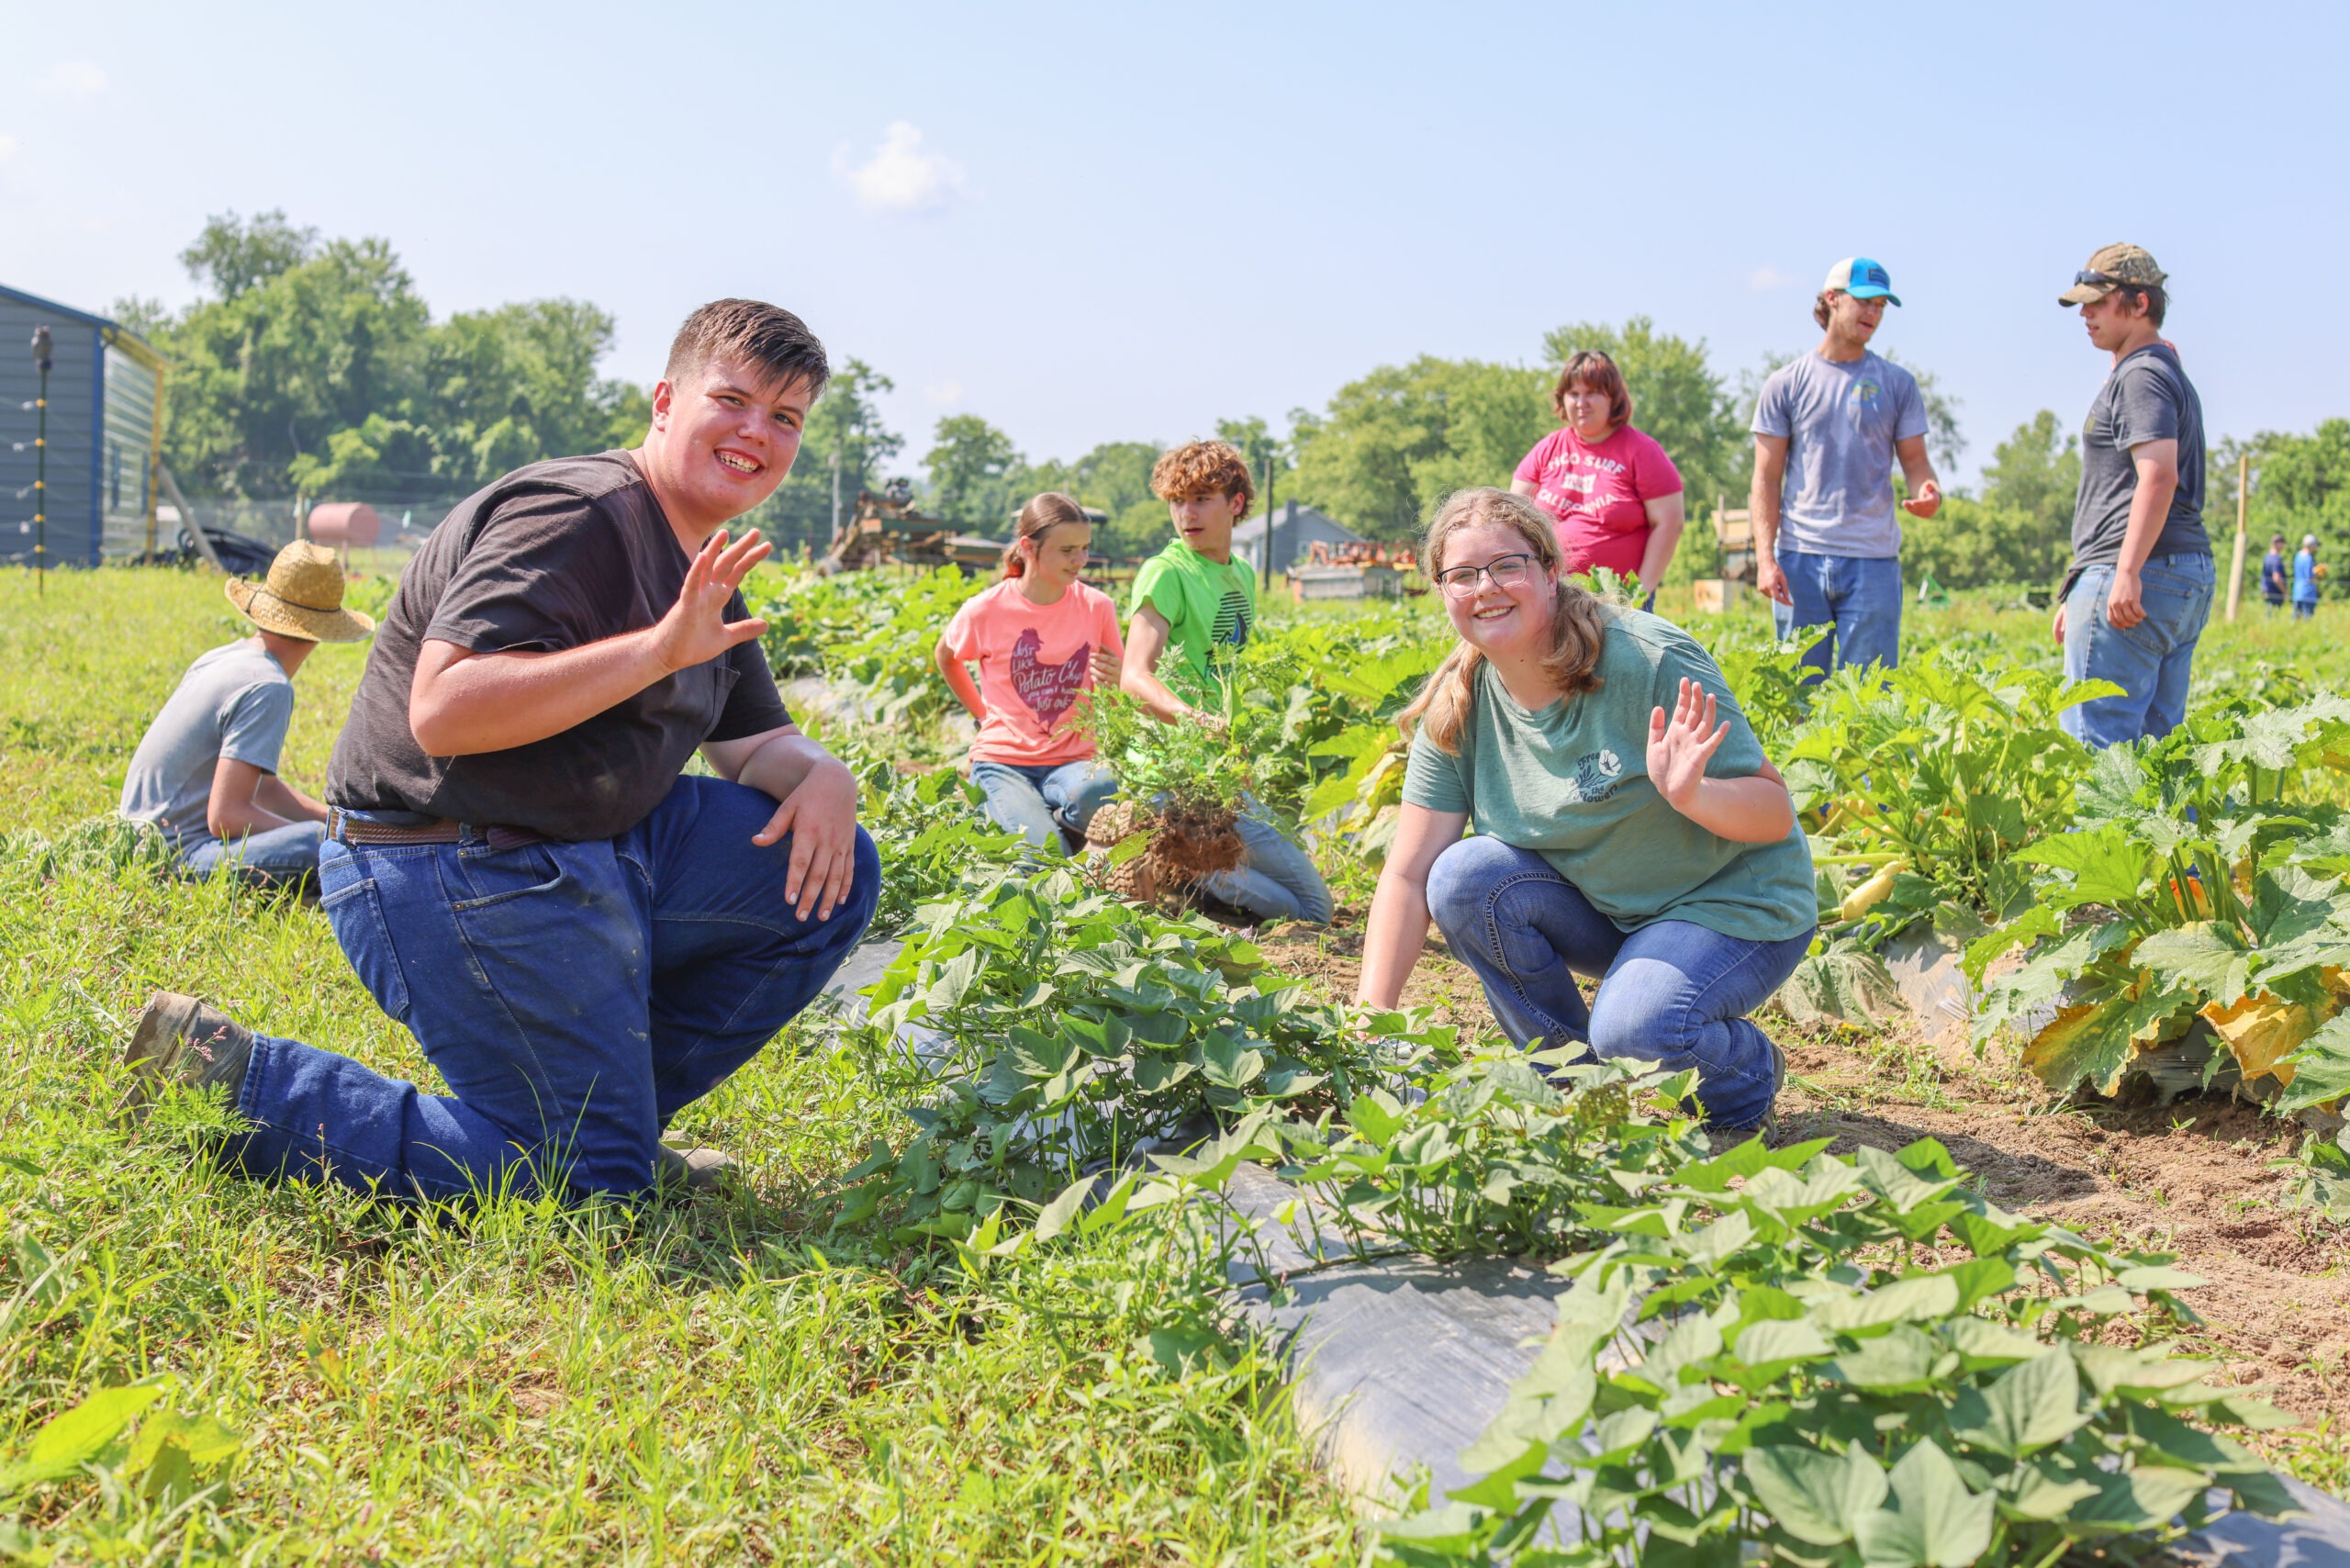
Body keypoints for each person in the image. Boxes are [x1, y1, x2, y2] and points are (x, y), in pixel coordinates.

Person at [117, 299, 878, 1203]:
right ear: (666, 400)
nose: (757, 430)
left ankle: (615, 1122)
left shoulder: (702, 559)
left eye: (784, 417)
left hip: (578, 849)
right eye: (734, 400)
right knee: (586, 1188)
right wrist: (656, 650)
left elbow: (759, 744)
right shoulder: (575, 514)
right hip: (445, 859)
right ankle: (237, 1082)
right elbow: (444, 709)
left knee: (826, 870)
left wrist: (824, 775)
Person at [1357, 487, 1816, 1133]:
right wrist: (1369, 1016)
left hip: (1732, 906)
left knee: (1640, 1028)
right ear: (1442, 592)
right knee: (1461, 878)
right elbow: (1408, 876)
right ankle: (1572, 1088)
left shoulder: (1645, 659)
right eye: (1462, 575)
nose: (1486, 588)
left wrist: (1693, 795)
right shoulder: (1459, 710)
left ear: (1549, 571)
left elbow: (1774, 814)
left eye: (1507, 566)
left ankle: (1744, 1082)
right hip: (1611, 914)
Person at [1119, 439, 1333, 925]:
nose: (1186, 513)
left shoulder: (1240, 574)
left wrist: (1233, 755)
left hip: (1216, 773)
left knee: (1312, 902)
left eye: (1201, 499)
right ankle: (1174, 857)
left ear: (1235, 504)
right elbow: (1135, 676)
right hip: (1171, 774)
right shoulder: (1166, 573)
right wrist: (1192, 719)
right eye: (1177, 501)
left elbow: (1225, 676)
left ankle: (1186, 871)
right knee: (1314, 912)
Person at [119, 540, 374, 886]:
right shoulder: (269, 686)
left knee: (322, 835)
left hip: (138, 848)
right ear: (320, 634)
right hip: (178, 858)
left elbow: (261, 789)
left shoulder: (224, 657)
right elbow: (227, 817)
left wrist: (337, 823)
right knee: (318, 847)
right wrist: (326, 838)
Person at [2052, 244, 2212, 749]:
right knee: (2159, 753)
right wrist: (2084, 583)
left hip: (2136, 572)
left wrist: (2119, 573)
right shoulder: (2157, 368)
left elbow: (2157, 476)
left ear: (2139, 304)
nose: (2086, 314)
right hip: (2179, 571)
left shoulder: (2142, 374)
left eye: (2098, 302)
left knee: (2099, 749)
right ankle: (2179, 834)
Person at [1751, 257, 1942, 676]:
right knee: (1800, 694)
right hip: (1800, 557)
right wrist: (1766, 560)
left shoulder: (1897, 383)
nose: (1873, 314)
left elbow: (1915, 463)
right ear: (1832, 300)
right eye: (1865, 302)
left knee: (1871, 700)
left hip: (1873, 560)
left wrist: (1927, 491)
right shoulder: (1786, 383)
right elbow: (1766, 478)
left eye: (1881, 306)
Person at [934, 492, 1124, 851]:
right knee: (1044, 858)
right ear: (1028, 547)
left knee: (1099, 793)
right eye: (1067, 550)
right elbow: (946, 655)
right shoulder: (985, 610)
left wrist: (1118, 681)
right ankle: (1046, 832)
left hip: (1074, 760)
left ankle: (1058, 822)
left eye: (1084, 548)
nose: (1080, 560)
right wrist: (981, 714)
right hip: (1003, 761)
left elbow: (1118, 695)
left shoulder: (1098, 607)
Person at [1511, 349, 1686, 607]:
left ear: (1613, 398)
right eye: (1573, 394)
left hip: (1618, 601)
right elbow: (1512, 515)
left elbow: (1670, 523)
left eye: (1592, 392)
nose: (1582, 402)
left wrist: (1640, 593)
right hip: (1553, 600)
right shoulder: (1546, 449)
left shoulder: (1642, 450)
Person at [2294, 534, 2322, 621]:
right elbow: (2309, 578)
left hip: (2297, 591)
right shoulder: (2308, 558)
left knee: (2297, 616)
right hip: (2308, 592)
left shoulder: (2298, 555)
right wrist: (2319, 574)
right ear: (2312, 545)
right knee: (2307, 618)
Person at [2262, 533, 2290, 613]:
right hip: (2275, 592)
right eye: (2282, 543)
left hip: (2267, 590)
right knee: (2274, 614)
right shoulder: (2276, 558)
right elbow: (2276, 578)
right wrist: (2285, 591)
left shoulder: (2267, 557)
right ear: (2277, 543)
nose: (2283, 546)